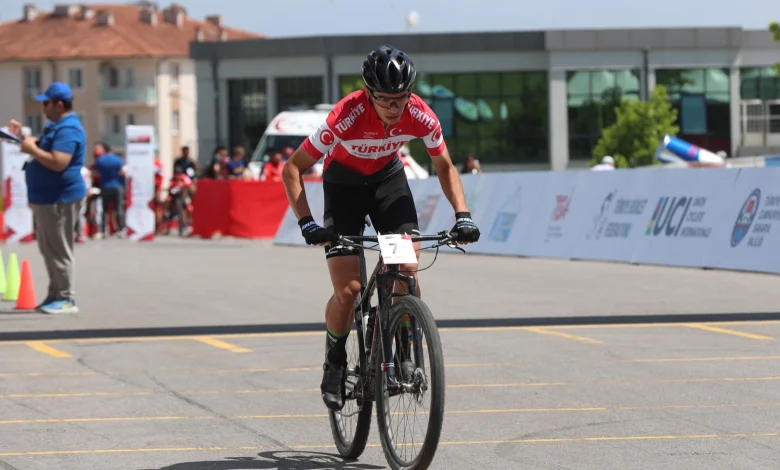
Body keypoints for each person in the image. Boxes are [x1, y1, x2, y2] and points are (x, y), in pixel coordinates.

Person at [281, 45, 481, 411]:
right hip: (344, 186)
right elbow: (292, 168)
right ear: (369, 93)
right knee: (350, 290)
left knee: (405, 270)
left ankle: (403, 348)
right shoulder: (346, 116)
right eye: (386, 99)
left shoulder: (420, 114)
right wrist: (306, 222)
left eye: (401, 98)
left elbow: (446, 167)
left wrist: (462, 214)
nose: (395, 106)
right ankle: (336, 359)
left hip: (388, 182)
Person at [7, 82, 86, 314]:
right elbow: (45, 149)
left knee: (58, 249)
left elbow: (58, 161)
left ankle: (65, 297)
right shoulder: (57, 127)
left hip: (58, 198)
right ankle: (55, 294)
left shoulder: (68, 129)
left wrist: (31, 150)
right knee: (48, 247)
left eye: (46, 103)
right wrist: (22, 137)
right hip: (47, 197)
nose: (43, 108)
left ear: (59, 104)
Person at [92, 143, 126, 237]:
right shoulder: (117, 159)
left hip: (105, 187)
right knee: (119, 208)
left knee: (104, 210)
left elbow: (95, 173)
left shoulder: (99, 160)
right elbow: (123, 172)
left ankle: (103, 230)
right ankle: (121, 228)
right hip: (117, 186)